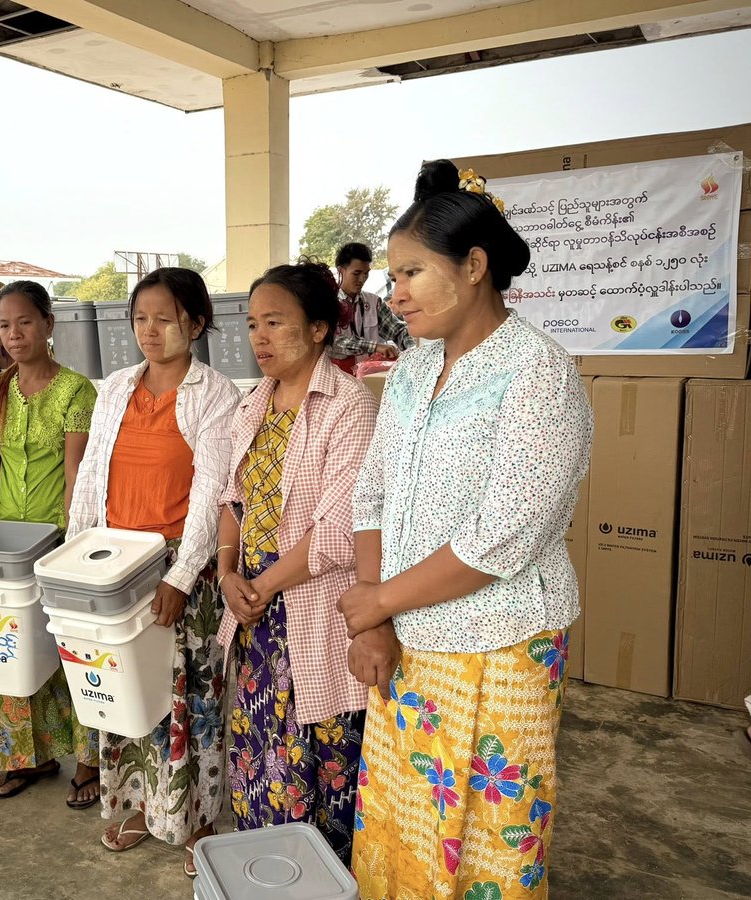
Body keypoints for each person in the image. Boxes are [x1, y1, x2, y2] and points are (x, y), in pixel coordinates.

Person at [342, 161, 593, 900]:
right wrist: (374, 617)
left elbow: (503, 537)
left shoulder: (538, 373)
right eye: (393, 276)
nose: (396, 294)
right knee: (404, 828)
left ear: (474, 267)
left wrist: (380, 602)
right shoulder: (415, 369)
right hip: (405, 646)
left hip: (501, 645)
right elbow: (372, 495)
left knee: (486, 844)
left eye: (412, 273)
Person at [67, 268, 241, 876]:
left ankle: (195, 817)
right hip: (117, 566)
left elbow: (212, 489)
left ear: (194, 324)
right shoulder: (115, 387)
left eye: (164, 319)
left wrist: (182, 574)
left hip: (174, 569)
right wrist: (74, 561)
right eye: (140, 318)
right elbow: (91, 477)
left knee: (186, 699)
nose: (150, 331)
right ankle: (142, 805)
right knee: (125, 694)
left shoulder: (216, 394)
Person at [215, 260, 380, 865]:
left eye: (275, 322)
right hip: (254, 613)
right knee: (259, 760)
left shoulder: (347, 406)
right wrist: (229, 572)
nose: (259, 337)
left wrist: (258, 585)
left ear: (317, 329)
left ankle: (317, 876)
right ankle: (265, 870)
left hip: (310, 611)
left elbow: (338, 533)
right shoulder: (252, 402)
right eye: (253, 323)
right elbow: (232, 497)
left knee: (318, 763)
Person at [0, 280, 102, 809]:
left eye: (23, 322)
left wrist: (70, 550)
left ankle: (88, 760)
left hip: (55, 537)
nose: (13, 335)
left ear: (47, 324)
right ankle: (26, 758)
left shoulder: (76, 391)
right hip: (1, 544)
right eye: (3, 325)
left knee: (67, 650)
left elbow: (75, 476)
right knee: (4, 647)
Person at [330, 242, 414, 375]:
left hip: (368, 376)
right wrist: (375, 346)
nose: (362, 279)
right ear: (341, 271)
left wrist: (412, 349)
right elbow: (332, 343)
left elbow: (398, 330)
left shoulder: (374, 302)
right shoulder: (328, 303)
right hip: (337, 377)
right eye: (356, 273)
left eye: (366, 273)